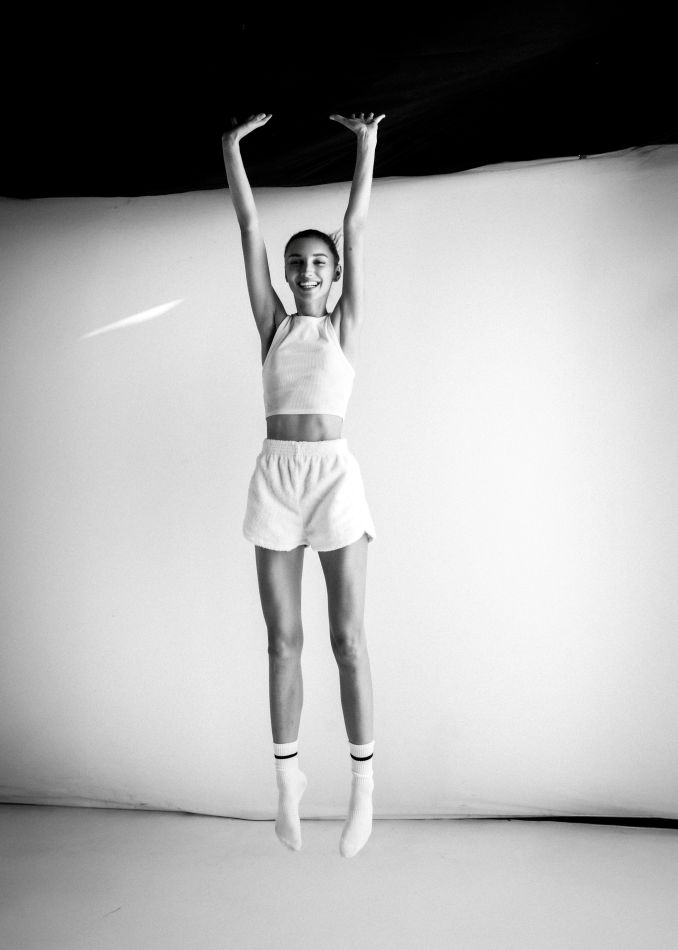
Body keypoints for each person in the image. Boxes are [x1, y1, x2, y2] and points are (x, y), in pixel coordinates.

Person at [222, 110, 384, 858]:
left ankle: (363, 788)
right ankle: (287, 783)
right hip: (277, 478)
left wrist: (367, 146)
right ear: (286, 276)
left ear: (335, 273)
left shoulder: (344, 325)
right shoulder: (274, 327)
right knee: (282, 640)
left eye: (319, 263)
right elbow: (248, 227)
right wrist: (231, 149)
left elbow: (356, 227)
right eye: (297, 264)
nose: (307, 271)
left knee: (347, 639)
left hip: (333, 478)